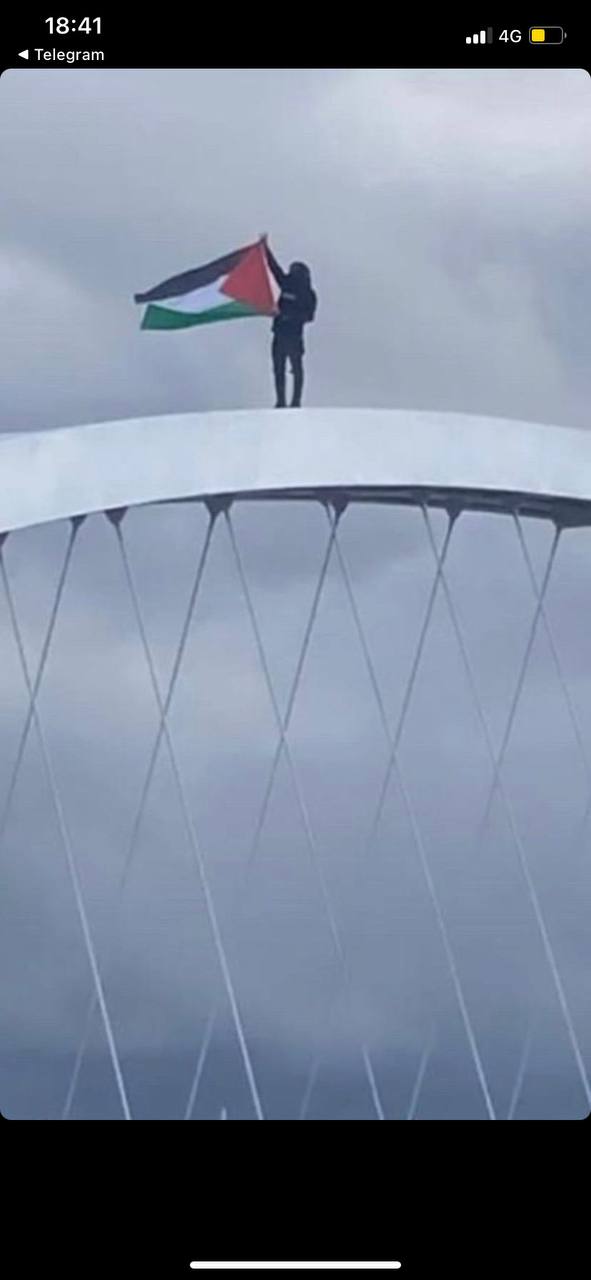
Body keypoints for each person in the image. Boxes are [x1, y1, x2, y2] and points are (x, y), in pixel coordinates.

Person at [261, 236, 317, 408]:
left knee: (295, 369)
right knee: (279, 369)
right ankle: (281, 401)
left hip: (293, 336)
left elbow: (310, 316)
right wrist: (265, 250)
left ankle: (295, 401)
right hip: (280, 334)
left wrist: (290, 316)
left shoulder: (308, 294)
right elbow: (274, 269)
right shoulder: (286, 284)